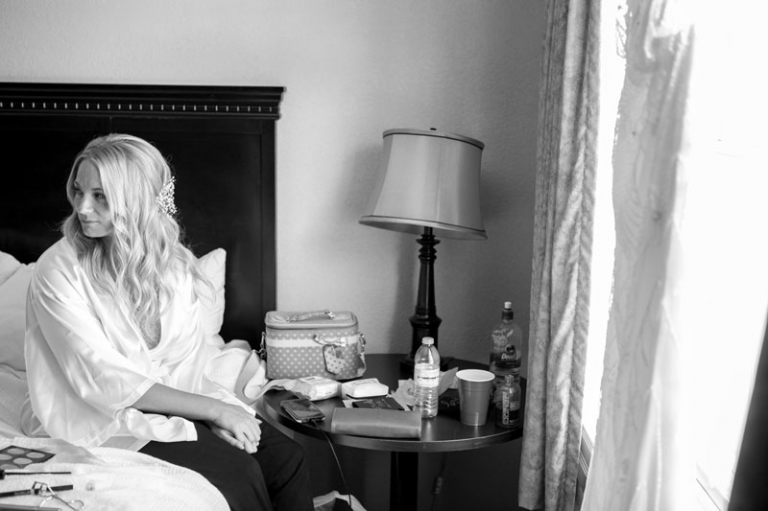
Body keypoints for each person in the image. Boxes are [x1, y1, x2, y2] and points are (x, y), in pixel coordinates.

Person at [21, 133, 314, 511]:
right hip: (99, 413)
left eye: (100, 196)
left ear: (138, 201)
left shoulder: (172, 264)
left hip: (178, 396)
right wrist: (210, 413)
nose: (82, 208)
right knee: (239, 473)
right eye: (78, 191)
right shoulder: (58, 270)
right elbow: (100, 378)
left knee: (288, 459)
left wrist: (211, 414)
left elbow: (184, 362)